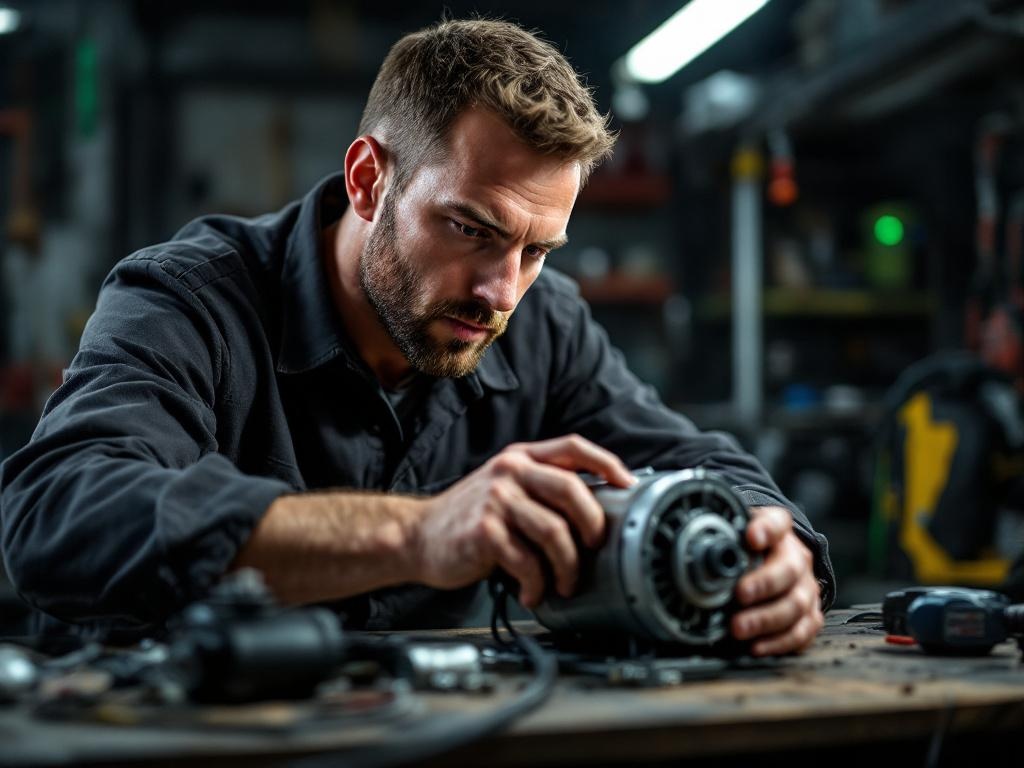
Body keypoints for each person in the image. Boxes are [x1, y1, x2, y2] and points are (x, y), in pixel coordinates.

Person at [0, 18, 833, 653]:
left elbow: (709, 466)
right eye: (472, 229)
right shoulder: (189, 299)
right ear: (369, 179)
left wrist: (776, 548)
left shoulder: (543, 326)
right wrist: (419, 533)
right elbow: (57, 513)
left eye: (536, 250)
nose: (501, 291)